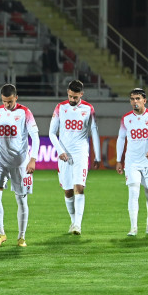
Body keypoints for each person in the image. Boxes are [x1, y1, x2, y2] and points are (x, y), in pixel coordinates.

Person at [0, 84, 40, 248]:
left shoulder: (25, 113)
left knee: (21, 199)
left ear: (16, 97)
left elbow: (35, 137)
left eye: (9, 102)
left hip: (20, 163)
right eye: (4, 101)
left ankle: (21, 236)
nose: (7, 105)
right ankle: (1, 233)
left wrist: (33, 159)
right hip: (0, 161)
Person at [48, 80, 101, 236]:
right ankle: (73, 221)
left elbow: (95, 131)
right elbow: (51, 132)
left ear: (81, 95)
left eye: (75, 97)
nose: (72, 100)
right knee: (68, 191)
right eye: (70, 96)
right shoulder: (60, 108)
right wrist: (60, 151)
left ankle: (78, 224)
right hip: (64, 155)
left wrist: (97, 156)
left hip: (80, 153)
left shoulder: (88, 109)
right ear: (67, 93)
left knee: (79, 187)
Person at [116, 88, 148, 236]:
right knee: (133, 192)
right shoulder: (126, 119)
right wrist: (119, 160)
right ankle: (133, 227)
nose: (134, 102)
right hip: (132, 162)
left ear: (144, 100)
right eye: (132, 99)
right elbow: (121, 139)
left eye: (137, 98)